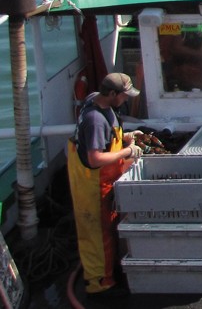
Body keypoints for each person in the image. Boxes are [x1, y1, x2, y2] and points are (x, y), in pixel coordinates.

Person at [67, 72, 143, 296]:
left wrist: (127, 136)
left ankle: (109, 272)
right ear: (112, 93)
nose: (127, 99)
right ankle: (99, 283)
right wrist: (128, 151)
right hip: (92, 185)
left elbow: (107, 137)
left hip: (104, 180)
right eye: (124, 95)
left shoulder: (96, 100)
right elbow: (95, 159)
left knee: (108, 230)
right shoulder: (94, 119)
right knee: (98, 235)